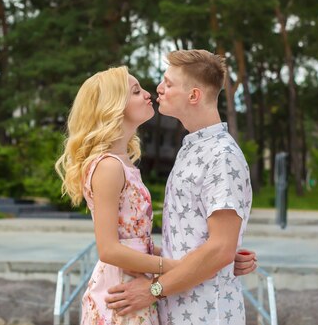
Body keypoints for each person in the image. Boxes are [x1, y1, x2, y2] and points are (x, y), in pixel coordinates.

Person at [55, 65, 256, 325]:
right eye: (136, 91)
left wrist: (219, 260)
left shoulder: (124, 162)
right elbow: (108, 249)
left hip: (137, 287)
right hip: (121, 293)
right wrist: (183, 268)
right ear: (113, 106)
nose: (150, 93)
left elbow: (138, 242)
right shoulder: (108, 166)